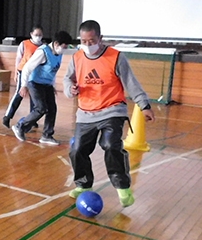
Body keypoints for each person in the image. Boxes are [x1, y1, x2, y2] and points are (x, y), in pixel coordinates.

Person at [63, 20, 155, 207]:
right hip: (86, 113)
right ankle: (83, 185)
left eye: (92, 41)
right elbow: (68, 79)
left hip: (112, 110)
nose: (88, 45)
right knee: (77, 149)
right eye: (84, 41)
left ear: (100, 38)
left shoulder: (116, 57)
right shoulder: (77, 58)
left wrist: (144, 105)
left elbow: (131, 83)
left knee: (110, 145)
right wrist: (69, 89)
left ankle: (123, 188)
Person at [11, 30, 73, 145]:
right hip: (34, 83)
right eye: (63, 47)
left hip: (47, 84)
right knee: (41, 108)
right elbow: (27, 68)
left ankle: (47, 136)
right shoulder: (43, 52)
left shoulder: (59, 53)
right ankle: (20, 126)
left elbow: (52, 71)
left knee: (52, 109)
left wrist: (52, 85)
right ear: (56, 44)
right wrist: (23, 85)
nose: (64, 50)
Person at [2, 25, 43, 128]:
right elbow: (19, 58)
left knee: (35, 97)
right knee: (19, 94)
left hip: (35, 74)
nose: (38, 37)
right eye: (36, 35)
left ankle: (32, 119)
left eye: (40, 35)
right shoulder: (24, 44)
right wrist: (16, 72)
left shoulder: (43, 47)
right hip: (23, 71)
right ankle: (7, 116)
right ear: (31, 34)